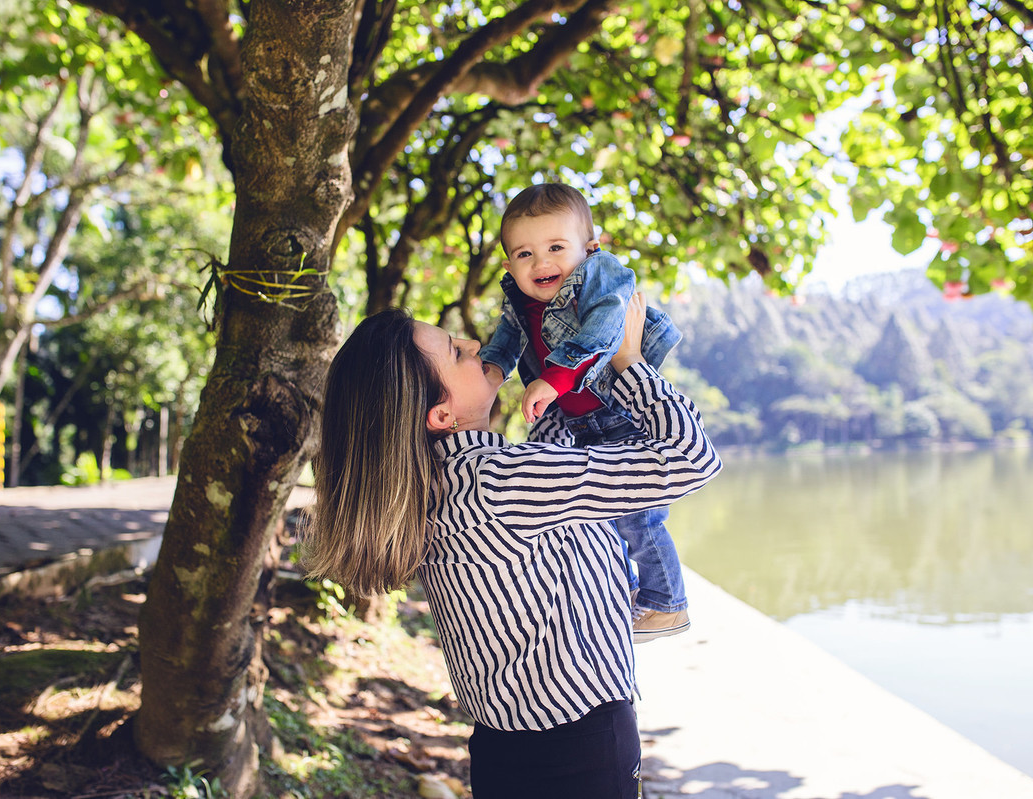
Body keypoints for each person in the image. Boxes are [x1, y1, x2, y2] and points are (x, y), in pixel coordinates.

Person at [302, 294, 721, 798]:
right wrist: (629, 362)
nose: (474, 343)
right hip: (581, 748)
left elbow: (561, 443)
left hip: (503, 750)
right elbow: (690, 459)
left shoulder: (439, 485)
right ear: (441, 414)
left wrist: (560, 359)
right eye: (455, 352)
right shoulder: (497, 481)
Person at [479, 182, 691, 642]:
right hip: (580, 423)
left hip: (621, 411)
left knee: (638, 513)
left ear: (589, 248)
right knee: (599, 513)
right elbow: (505, 341)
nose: (541, 263)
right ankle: (625, 591)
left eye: (556, 247)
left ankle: (667, 603)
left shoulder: (600, 274)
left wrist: (554, 378)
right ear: (509, 265)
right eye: (525, 254)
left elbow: (604, 326)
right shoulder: (519, 300)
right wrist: (489, 372)